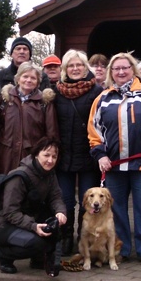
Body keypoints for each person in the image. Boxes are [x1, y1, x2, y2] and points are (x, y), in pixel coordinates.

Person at [88, 52, 141, 266]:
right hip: (114, 166)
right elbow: (94, 131)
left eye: (125, 67)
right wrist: (101, 155)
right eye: (116, 69)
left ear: (133, 70)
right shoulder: (103, 98)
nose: (121, 72)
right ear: (111, 73)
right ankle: (120, 248)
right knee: (116, 209)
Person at [0, 137, 67, 276]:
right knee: (37, 243)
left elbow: (56, 197)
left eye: (54, 156)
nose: (50, 160)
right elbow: (10, 212)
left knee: (53, 231)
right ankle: (3, 255)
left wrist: (60, 212)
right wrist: (33, 226)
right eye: (46, 155)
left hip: (26, 220)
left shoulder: (50, 173)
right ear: (36, 154)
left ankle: (37, 260)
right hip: (1, 225)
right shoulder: (19, 177)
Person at [54, 49, 103, 256]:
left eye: (79, 65)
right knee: (64, 201)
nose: (75, 69)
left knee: (88, 202)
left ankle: (84, 239)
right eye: (71, 66)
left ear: (85, 68)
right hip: (63, 157)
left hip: (88, 156)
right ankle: (65, 238)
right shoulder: (55, 92)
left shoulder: (97, 92)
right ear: (65, 69)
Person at [0, 61, 59, 175]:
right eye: (25, 76)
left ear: (38, 82)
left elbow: (51, 134)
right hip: (6, 157)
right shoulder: (5, 100)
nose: (28, 80)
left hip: (32, 157)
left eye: (33, 78)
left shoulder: (44, 103)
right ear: (18, 78)